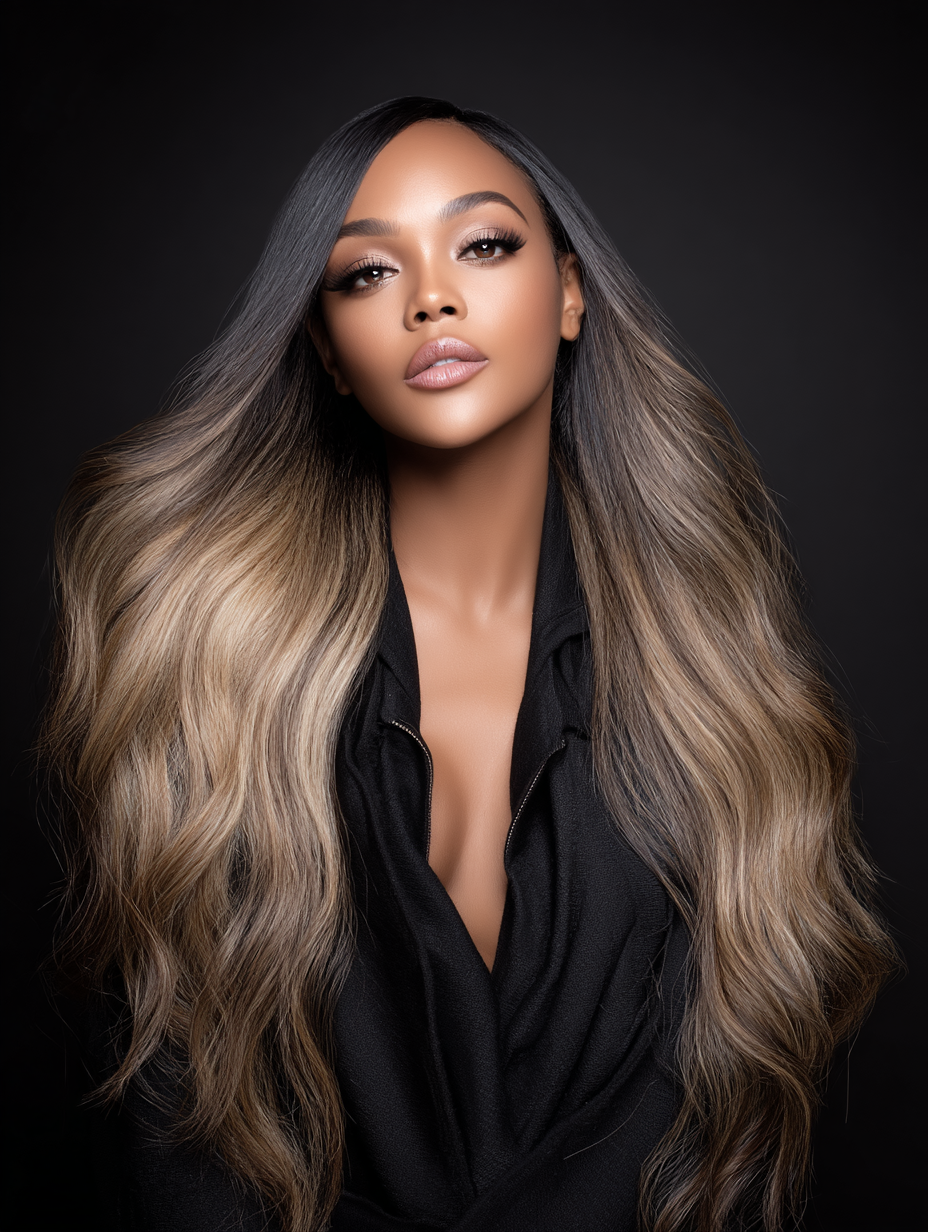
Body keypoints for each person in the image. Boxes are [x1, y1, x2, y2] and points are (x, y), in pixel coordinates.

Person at [44, 97, 895, 1232]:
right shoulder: (206, 675)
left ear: (571, 294)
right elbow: (180, 1126)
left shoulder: (713, 688)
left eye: (483, 243)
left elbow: (719, 1119)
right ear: (328, 356)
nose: (429, 296)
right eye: (363, 274)